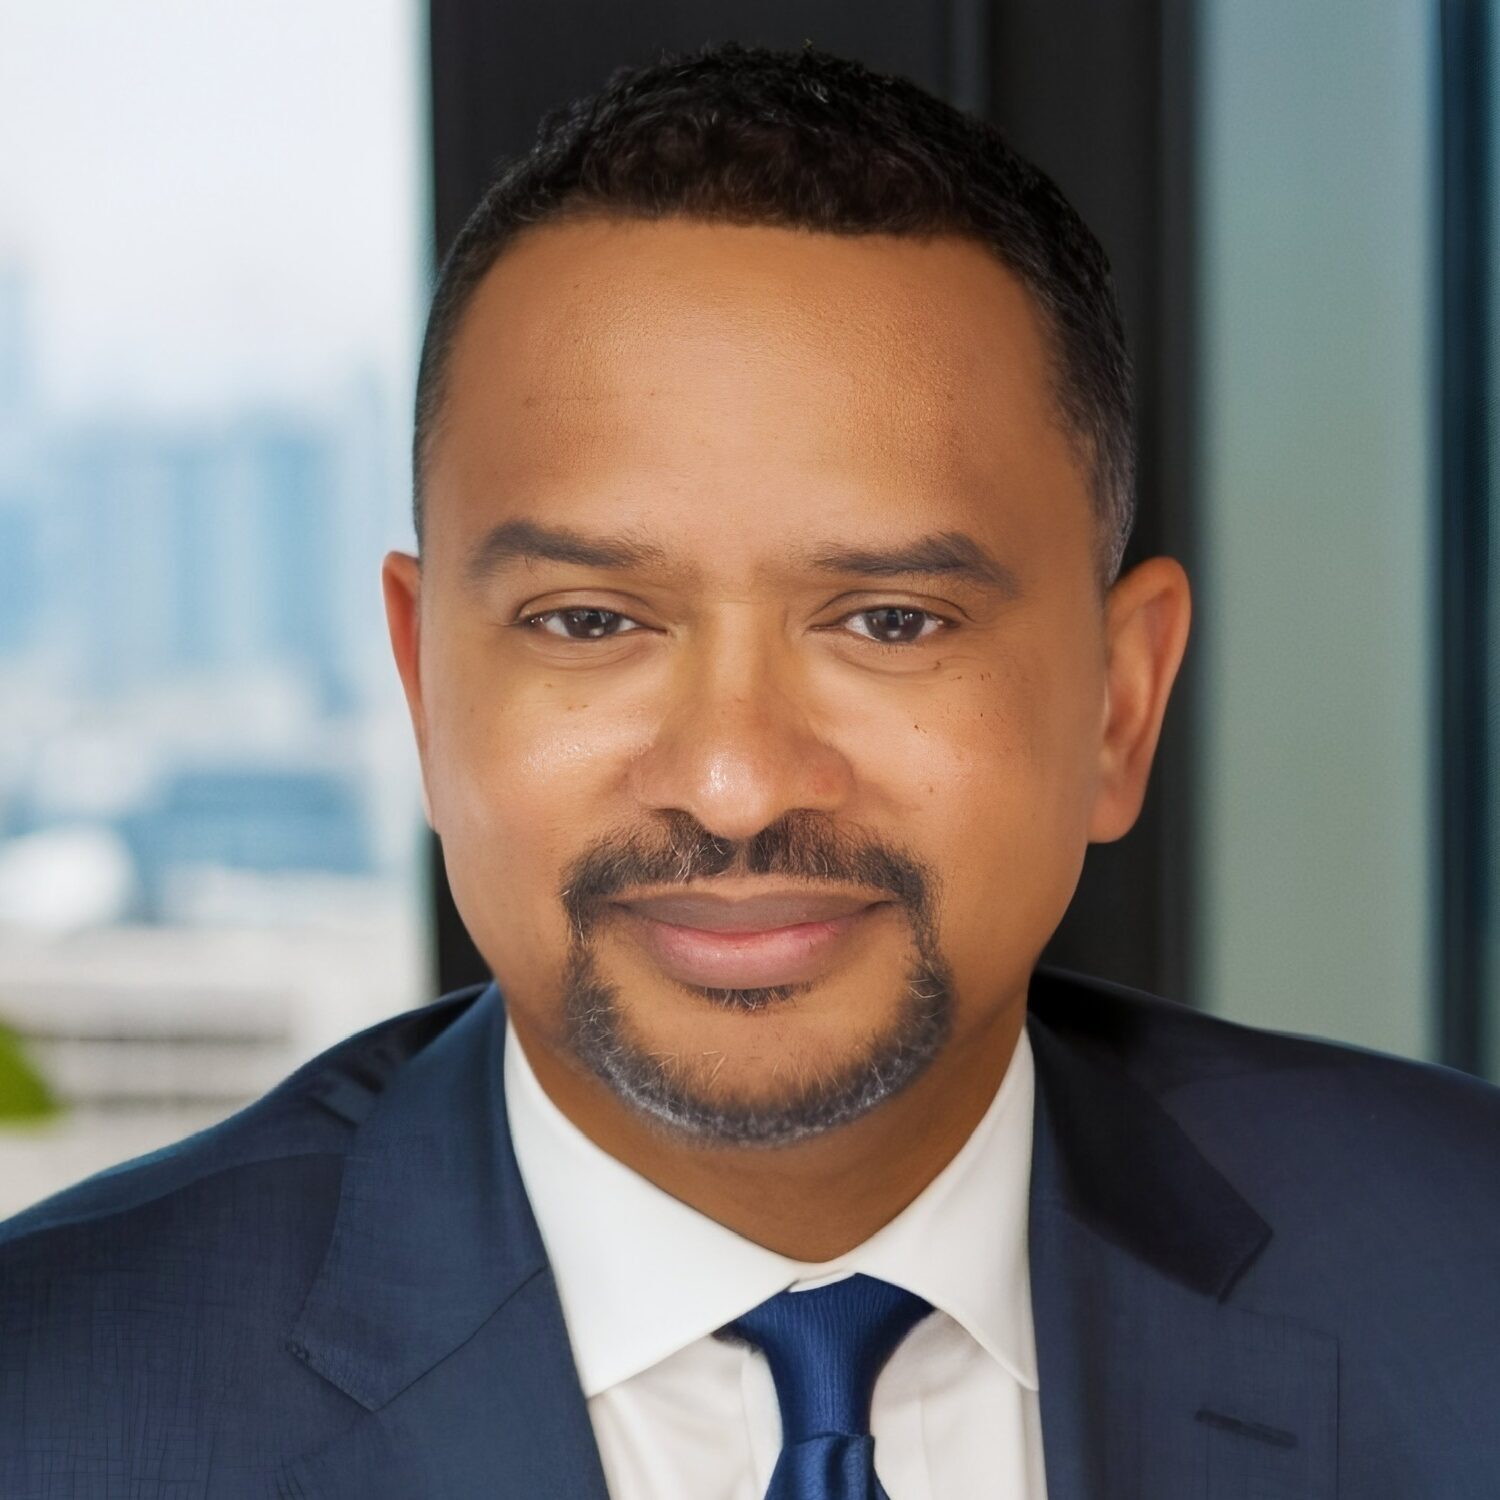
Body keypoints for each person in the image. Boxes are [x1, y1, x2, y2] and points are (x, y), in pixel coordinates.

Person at [2, 39, 1496, 1500]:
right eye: (589, 621)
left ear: (1120, 703)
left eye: (890, 621)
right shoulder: (52, 1410)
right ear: (424, 689)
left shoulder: (1463, 1288)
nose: (732, 783)